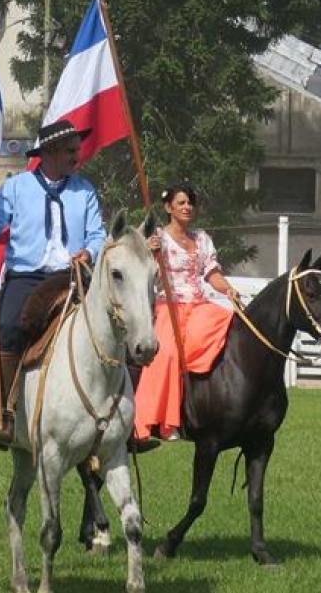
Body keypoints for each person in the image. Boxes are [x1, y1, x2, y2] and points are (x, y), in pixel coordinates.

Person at [0, 119, 107, 447]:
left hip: (73, 276)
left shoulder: (85, 191)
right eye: (70, 151)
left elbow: (97, 233)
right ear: (49, 153)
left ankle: (123, 422)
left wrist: (89, 251)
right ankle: (5, 414)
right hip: (27, 276)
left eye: (77, 149)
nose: (77, 156)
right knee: (8, 327)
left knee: (115, 325)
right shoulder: (16, 188)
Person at [133, 183, 240, 445]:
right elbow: (140, 268)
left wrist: (228, 290)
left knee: (229, 323)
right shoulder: (157, 237)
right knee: (168, 353)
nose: (187, 207)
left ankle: (216, 400)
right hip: (168, 305)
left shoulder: (202, 238)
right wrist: (148, 251)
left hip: (198, 304)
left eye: (190, 203)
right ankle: (163, 421)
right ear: (168, 207)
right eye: (181, 202)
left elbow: (212, 274)